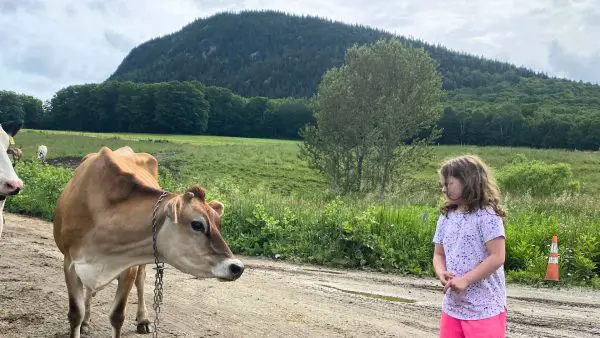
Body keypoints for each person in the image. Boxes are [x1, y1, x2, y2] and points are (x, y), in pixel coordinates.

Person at [432, 154, 507, 338]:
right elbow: (439, 254)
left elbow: (497, 256)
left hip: (484, 306)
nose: (443, 189)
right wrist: (441, 271)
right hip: (453, 306)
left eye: (448, 183)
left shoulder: (487, 216)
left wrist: (465, 280)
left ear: (468, 181)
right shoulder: (446, 216)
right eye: (442, 185)